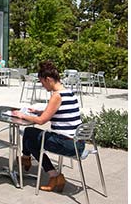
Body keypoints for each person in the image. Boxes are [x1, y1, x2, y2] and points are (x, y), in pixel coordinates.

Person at [12, 60, 84, 193]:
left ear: (49, 79)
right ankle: (30, 161)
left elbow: (41, 121)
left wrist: (22, 115)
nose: (43, 86)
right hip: (78, 143)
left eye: (42, 82)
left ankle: (49, 173)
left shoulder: (56, 96)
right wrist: (39, 111)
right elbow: (59, 112)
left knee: (29, 134)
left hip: (67, 144)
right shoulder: (69, 92)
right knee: (31, 136)